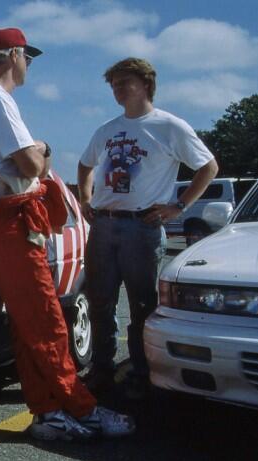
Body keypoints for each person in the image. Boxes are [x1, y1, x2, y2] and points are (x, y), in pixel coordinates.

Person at [0, 28, 134, 441]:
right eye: (28, 57)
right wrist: (42, 149)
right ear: (14, 55)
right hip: (6, 221)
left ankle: (49, 412)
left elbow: (29, 164)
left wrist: (38, 154)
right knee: (48, 322)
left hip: (5, 218)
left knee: (27, 326)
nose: (29, 65)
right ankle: (82, 408)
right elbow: (31, 165)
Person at [78, 58, 218, 397]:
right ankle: (102, 369)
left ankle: (141, 372)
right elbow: (85, 164)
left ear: (145, 84)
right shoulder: (107, 130)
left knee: (142, 306)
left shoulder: (169, 126)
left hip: (141, 227)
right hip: (104, 225)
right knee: (100, 302)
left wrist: (178, 206)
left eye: (124, 82)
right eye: (113, 84)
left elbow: (208, 166)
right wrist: (85, 199)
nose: (118, 89)